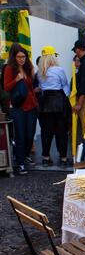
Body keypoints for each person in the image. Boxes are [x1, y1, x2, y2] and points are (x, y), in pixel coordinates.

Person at [3, 44, 38, 175]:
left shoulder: (28, 68)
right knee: (20, 135)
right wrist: (16, 80)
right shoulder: (9, 69)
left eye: (24, 56)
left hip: (31, 106)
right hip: (18, 106)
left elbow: (30, 88)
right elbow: (6, 87)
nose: (22, 59)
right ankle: (20, 163)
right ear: (14, 57)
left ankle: (25, 156)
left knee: (30, 134)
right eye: (19, 57)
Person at [38, 45, 71, 166]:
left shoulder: (40, 72)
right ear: (53, 56)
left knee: (46, 132)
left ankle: (46, 157)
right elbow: (65, 86)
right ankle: (63, 158)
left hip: (45, 102)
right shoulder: (59, 70)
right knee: (61, 131)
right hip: (59, 102)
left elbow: (42, 88)